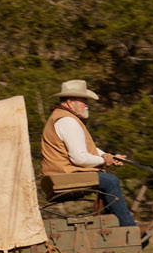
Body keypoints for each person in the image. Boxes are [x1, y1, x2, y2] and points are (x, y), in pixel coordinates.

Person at [38, 79, 139, 230]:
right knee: (110, 181)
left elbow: (87, 148)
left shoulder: (65, 118)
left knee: (107, 180)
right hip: (63, 175)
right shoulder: (67, 121)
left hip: (60, 174)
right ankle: (129, 228)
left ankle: (111, 227)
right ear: (70, 102)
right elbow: (79, 158)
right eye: (83, 100)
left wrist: (110, 156)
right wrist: (105, 160)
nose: (86, 104)